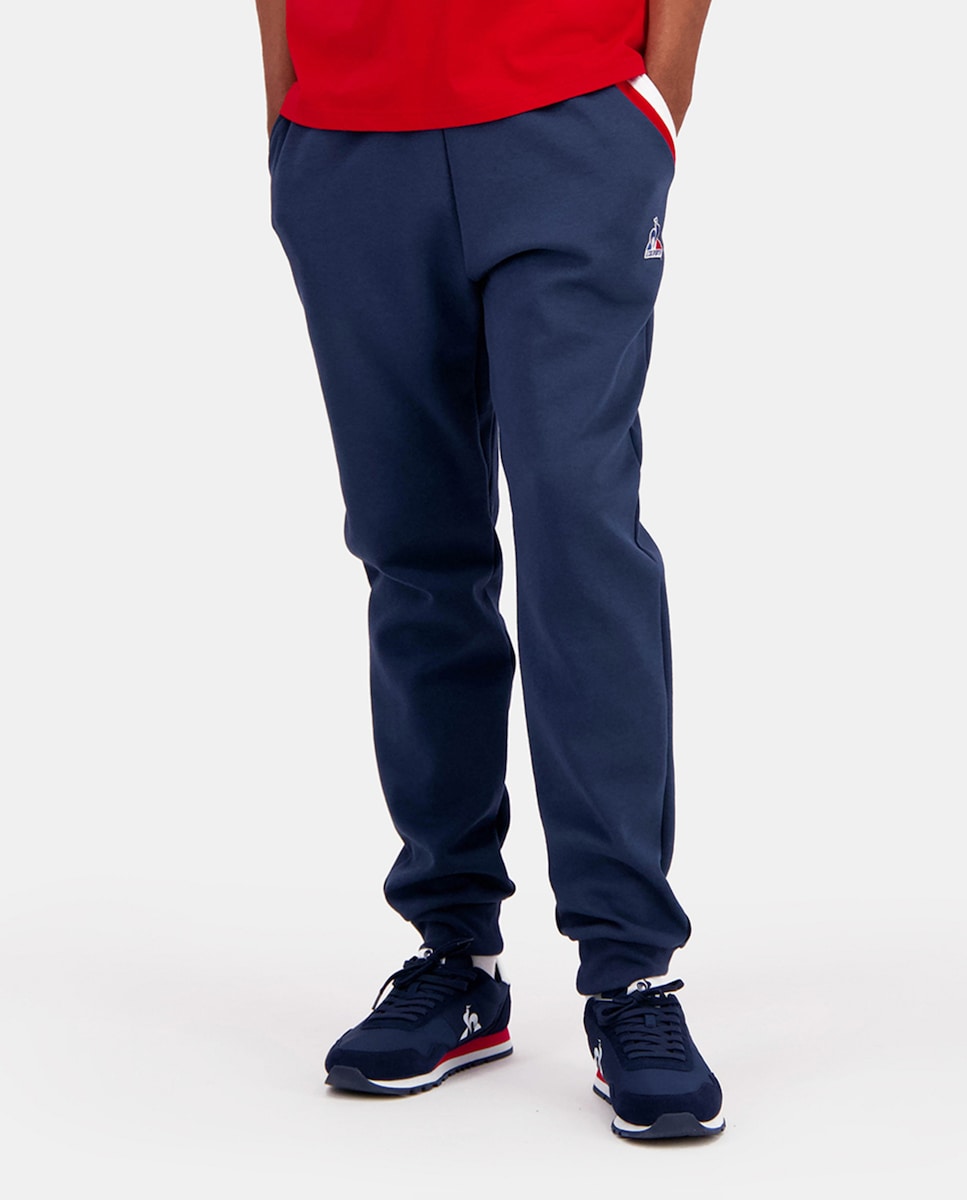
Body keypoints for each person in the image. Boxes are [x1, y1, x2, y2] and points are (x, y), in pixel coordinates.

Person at [255, 0, 724, 1140]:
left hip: (567, 117)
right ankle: (454, 954)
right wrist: (289, 107)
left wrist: (658, 95)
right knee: (411, 547)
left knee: (579, 535)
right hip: (349, 139)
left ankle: (630, 973)